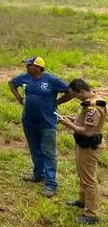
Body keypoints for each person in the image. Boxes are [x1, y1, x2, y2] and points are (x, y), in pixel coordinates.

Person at [8, 56, 73, 197]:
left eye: (29, 65)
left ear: (38, 67)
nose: (26, 67)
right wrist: (19, 98)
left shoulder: (51, 80)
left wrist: (58, 102)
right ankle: (38, 174)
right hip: (29, 121)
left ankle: (50, 184)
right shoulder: (25, 77)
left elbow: (70, 92)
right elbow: (11, 83)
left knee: (48, 153)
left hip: (47, 123)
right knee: (35, 150)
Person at [58, 79, 105, 225]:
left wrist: (68, 124)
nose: (76, 98)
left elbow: (87, 131)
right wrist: (72, 119)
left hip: (89, 146)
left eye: (76, 96)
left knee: (89, 180)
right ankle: (83, 200)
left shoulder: (93, 108)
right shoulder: (89, 100)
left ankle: (91, 213)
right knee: (82, 174)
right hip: (82, 144)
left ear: (82, 92)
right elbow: (82, 121)